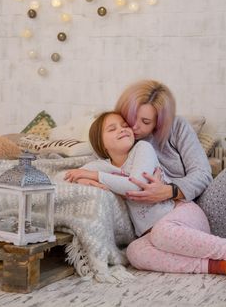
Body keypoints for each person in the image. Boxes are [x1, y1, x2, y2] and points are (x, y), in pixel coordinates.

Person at [64, 111, 226, 275]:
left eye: (125, 125)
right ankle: (215, 266)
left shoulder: (142, 149)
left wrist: (95, 177)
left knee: (162, 233)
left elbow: (136, 187)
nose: (122, 129)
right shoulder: (102, 166)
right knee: (134, 252)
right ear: (101, 143)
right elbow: (68, 177)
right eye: (112, 129)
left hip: (183, 214)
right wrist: (84, 180)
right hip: (156, 234)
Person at [113, 79, 226, 272]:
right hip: (158, 222)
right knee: (135, 252)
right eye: (129, 118)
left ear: (159, 122)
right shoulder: (119, 135)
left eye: (145, 122)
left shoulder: (177, 127)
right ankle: (215, 265)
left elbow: (202, 174)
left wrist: (168, 191)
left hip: (192, 206)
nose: (134, 127)